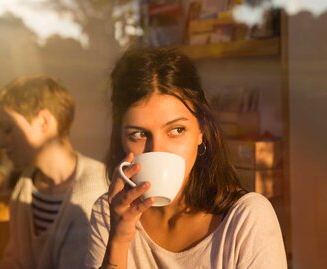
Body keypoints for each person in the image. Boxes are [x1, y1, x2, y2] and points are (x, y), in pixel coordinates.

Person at [85, 47, 287, 269]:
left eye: (177, 130)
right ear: (121, 140)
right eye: (139, 134)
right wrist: (119, 241)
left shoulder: (246, 219)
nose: (157, 150)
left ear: (201, 131)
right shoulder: (108, 214)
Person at [0, 75, 108, 269]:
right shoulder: (26, 185)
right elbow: (19, 264)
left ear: (43, 121)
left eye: (7, 129)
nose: (0, 142)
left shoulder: (94, 192)